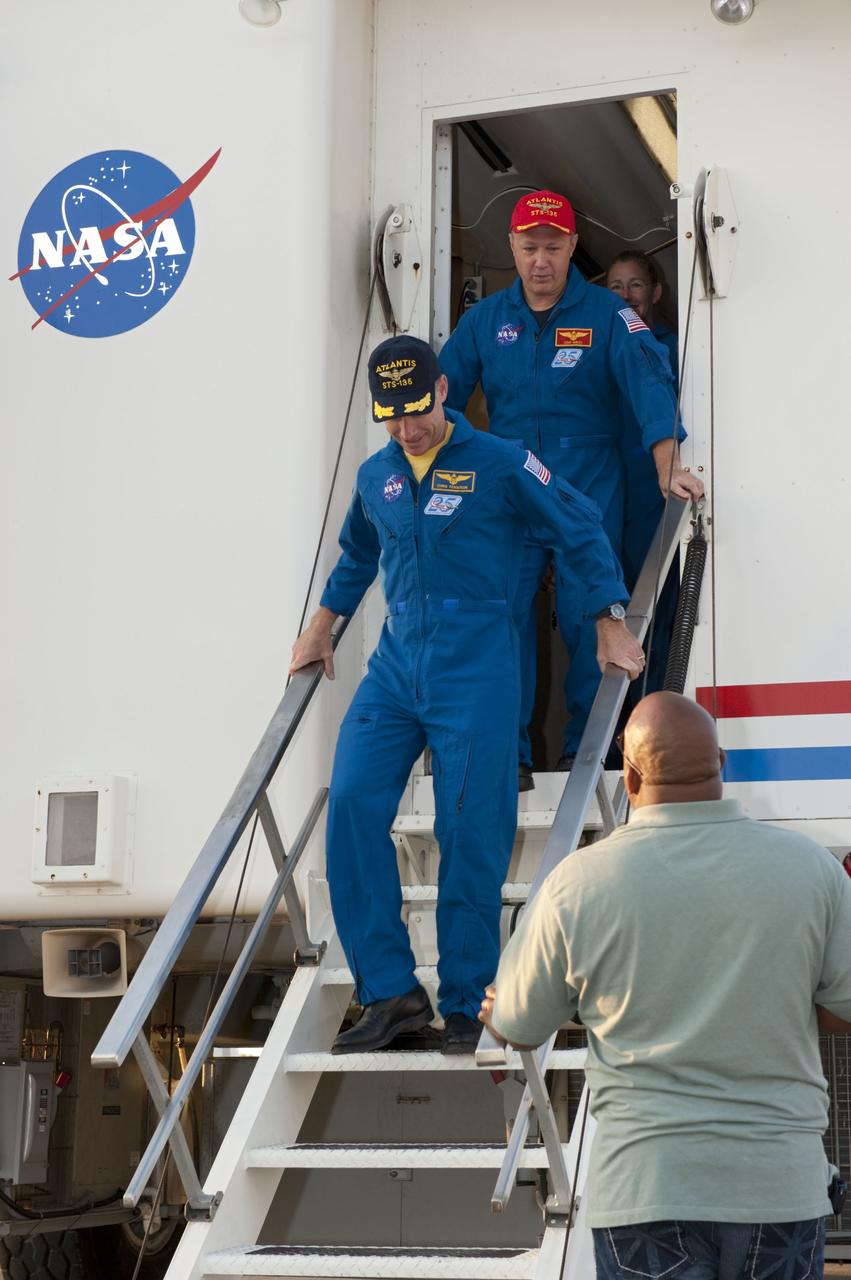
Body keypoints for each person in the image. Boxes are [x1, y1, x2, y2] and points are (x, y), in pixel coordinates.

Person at [289, 335, 644, 1056]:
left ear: (443, 390)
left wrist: (608, 620)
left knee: (468, 833)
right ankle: (389, 993)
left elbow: (578, 527)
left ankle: (467, 997)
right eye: (392, 417)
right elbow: (359, 555)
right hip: (395, 666)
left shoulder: (503, 461)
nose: (407, 429)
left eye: (416, 410)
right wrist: (322, 627)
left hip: (476, 660)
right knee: (352, 808)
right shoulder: (376, 476)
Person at [480, 691, 851, 1277]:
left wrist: (506, 1005)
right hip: (780, 1186)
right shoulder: (812, 868)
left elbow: (518, 1029)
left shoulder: (577, 883)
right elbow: (845, 1010)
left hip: (646, 1189)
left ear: (628, 775)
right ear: (722, 764)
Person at [439, 191, 704, 790]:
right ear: (512, 247)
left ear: (572, 248)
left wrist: (667, 464)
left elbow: (649, 383)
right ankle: (508, 758)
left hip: (589, 487)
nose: (540, 261)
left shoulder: (609, 316)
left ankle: (591, 756)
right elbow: (440, 398)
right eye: (529, 248)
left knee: (595, 616)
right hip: (511, 487)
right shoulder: (484, 321)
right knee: (503, 617)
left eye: (553, 248)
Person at [606, 251, 682, 697]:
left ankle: (658, 719)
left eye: (636, 285)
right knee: (611, 618)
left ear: (655, 292)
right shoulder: (599, 346)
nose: (626, 295)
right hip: (612, 500)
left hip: (656, 501)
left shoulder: (675, 348)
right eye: (616, 286)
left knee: (660, 619)